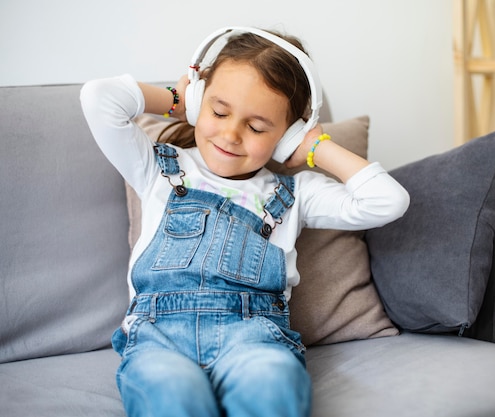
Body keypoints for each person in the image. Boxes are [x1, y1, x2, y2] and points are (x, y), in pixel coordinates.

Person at [80, 27, 409, 417]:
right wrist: (177, 99)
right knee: (171, 395)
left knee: (271, 387)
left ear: (286, 136)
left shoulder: (295, 193)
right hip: (159, 338)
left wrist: (314, 147)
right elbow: (98, 98)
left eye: (256, 128)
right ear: (200, 100)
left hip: (255, 337)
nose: (231, 134)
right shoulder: (159, 167)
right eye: (218, 111)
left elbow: (388, 201)